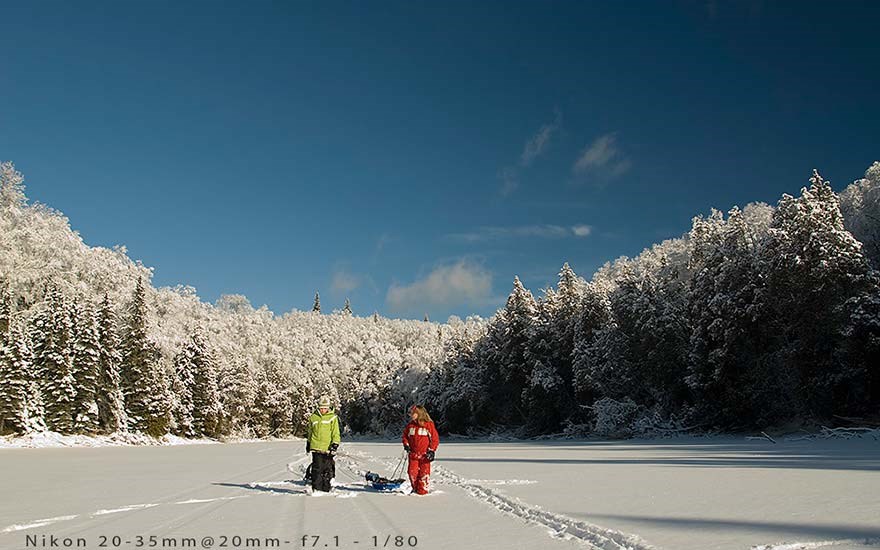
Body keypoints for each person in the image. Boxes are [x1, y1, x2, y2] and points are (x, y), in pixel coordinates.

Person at [401, 404, 439, 495]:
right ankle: (415, 489)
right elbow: (405, 436)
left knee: (424, 474)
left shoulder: (428, 425)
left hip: (425, 455)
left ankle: (422, 492)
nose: (411, 415)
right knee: (412, 472)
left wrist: (432, 450)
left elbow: (435, 439)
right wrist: (406, 444)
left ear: (419, 414)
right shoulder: (410, 426)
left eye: (412, 413)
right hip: (413, 454)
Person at [306, 394, 341, 493]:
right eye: (321, 408)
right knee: (317, 468)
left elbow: (335, 433)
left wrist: (335, 444)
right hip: (316, 446)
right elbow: (310, 432)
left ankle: (326, 488)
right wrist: (308, 443)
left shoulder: (333, 418)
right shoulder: (313, 417)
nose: (323, 410)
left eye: (325, 408)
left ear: (328, 407)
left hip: (327, 448)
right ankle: (316, 488)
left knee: (327, 469)